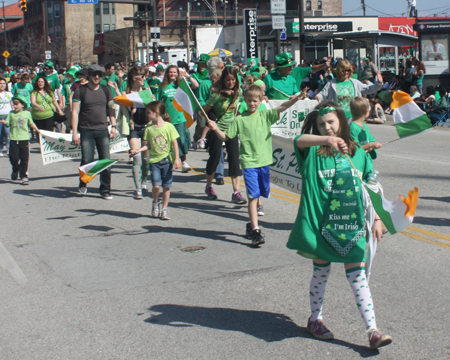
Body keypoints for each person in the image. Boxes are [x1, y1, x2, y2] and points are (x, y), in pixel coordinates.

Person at [287, 101, 392, 350]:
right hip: (319, 228)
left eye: (331, 122)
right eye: (322, 124)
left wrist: (377, 219)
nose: (327, 127)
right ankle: (315, 319)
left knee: (358, 277)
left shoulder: (357, 152)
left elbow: (371, 188)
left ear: (342, 122)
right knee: (321, 273)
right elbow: (299, 139)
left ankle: (373, 331)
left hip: (350, 227)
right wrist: (326, 141)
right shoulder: (311, 152)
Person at [207, 85, 304, 246]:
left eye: (255, 100)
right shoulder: (239, 119)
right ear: (244, 101)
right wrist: (216, 128)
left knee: (260, 193)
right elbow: (225, 137)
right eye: (249, 100)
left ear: (260, 101)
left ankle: (251, 224)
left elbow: (282, 107)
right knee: (252, 196)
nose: (252, 103)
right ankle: (256, 230)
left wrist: (296, 99)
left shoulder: (265, 116)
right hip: (249, 162)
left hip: (264, 162)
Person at [71, 64, 117, 200]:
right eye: (94, 75)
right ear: (89, 76)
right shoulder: (81, 90)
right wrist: (74, 132)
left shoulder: (105, 90)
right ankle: (84, 182)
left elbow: (111, 109)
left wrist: (113, 126)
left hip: (103, 129)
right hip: (86, 130)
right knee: (87, 159)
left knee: (105, 161)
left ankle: (105, 189)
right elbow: (75, 112)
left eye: (99, 75)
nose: (97, 77)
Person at [131, 101, 180, 220]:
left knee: (166, 186)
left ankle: (164, 209)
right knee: (156, 186)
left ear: (156, 113)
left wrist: (177, 158)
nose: (146, 115)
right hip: (154, 162)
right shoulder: (149, 129)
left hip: (166, 160)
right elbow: (148, 145)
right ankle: (155, 202)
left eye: (148, 113)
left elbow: (174, 143)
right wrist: (138, 150)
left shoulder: (169, 126)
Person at [203, 66, 246, 204]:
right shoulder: (216, 95)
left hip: (231, 128)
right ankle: (209, 186)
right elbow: (206, 110)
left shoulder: (238, 92)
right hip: (217, 128)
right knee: (215, 157)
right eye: (228, 80)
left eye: (233, 79)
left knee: (234, 159)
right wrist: (210, 123)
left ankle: (236, 192)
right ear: (223, 80)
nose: (231, 82)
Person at [155, 65, 199, 173]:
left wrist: (188, 76)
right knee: (169, 142)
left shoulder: (181, 84)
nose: (173, 74)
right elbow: (157, 100)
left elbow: (196, 85)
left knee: (182, 140)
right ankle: (171, 161)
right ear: (167, 73)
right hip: (167, 119)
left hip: (180, 117)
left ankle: (184, 162)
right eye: (170, 72)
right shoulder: (162, 86)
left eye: (175, 72)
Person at [316, 60, 383, 119]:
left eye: (348, 70)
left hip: (353, 116)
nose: (346, 72)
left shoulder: (355, 82)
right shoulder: (331, 83)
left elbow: (368, 89)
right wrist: (318, 97)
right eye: (343, 70)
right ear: (339, 70)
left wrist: (379, 83)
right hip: (337, 116)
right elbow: (323, 93)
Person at [1, 95, 41, 185]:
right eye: (14, 104)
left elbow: (31, 123)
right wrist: (5, 123)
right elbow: (8, 124)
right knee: (13, 158)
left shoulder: (27, 114)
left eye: (17, 104)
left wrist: (38, 130)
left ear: (22, 105)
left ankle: (24, 176)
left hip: (24, 139)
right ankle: (15, 169)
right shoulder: (11, 113)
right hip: (13, 138)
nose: (15, 106)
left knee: (24, 158)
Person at [124, 66, 151, 199]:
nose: (144, 79)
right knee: (137, 158)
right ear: (134, 79)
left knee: (146, 160)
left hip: (146, 127)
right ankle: (138, 189)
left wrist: (151, 100)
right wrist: (130, 111)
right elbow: (116, 107)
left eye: (145, 76)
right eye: (142, 76)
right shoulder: (127, 94)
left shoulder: (147, 92)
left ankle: (144, 181)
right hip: (134, 128)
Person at [0, 77, 13, 157]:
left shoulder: (9, 94)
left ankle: (9, 148)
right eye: (0, 83)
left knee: (8, 133)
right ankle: (1, 148)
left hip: (8, 116)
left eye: (4, 83)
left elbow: (12, 104)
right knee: (0, 134)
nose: (2, 85)